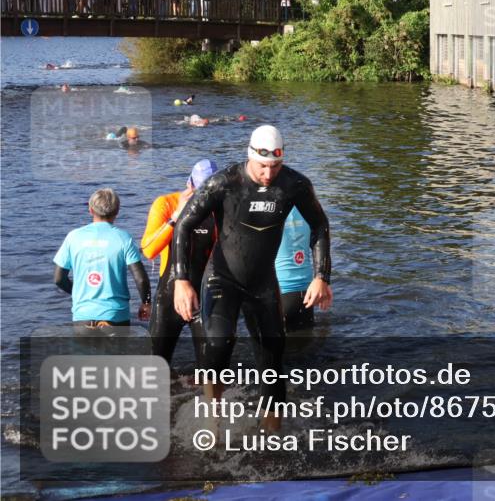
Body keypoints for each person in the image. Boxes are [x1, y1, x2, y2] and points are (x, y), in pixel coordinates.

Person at [172, 125, 331, 432]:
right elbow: (184, 225)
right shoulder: (224, 183)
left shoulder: (294, 184)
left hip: (263, 283)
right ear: (250, 157)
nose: (269, 174)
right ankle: (212, 420)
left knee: (272, 361)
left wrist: (321, 276)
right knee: (218, 345)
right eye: (262, 166)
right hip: (222, 279)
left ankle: (272, 434)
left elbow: (320, 226)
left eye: (275, 166)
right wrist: (182, 280)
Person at [142, 160, 218, 363]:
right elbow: (149, 250)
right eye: (199, 190)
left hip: (204, 297)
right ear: (189, 184)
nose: (203, 198)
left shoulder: (220, 208)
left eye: (209, 191)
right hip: (169, 296)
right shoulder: (166, 204)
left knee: (211, 370)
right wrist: (176, 217)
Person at [53, 188, 151, 331]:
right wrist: (146, 302)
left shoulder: (73, 237)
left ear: (90, 209)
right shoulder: (123, 238)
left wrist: (79, 293)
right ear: (117, 211)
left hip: (83, 315)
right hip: (116, 316)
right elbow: (140, 279)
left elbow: (58, 279)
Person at [273, 207, 318, 330]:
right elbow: (319, 243)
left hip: (278, 293)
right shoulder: (307, 205)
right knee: (305, 345)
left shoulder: (267, 203)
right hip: (307, 295)